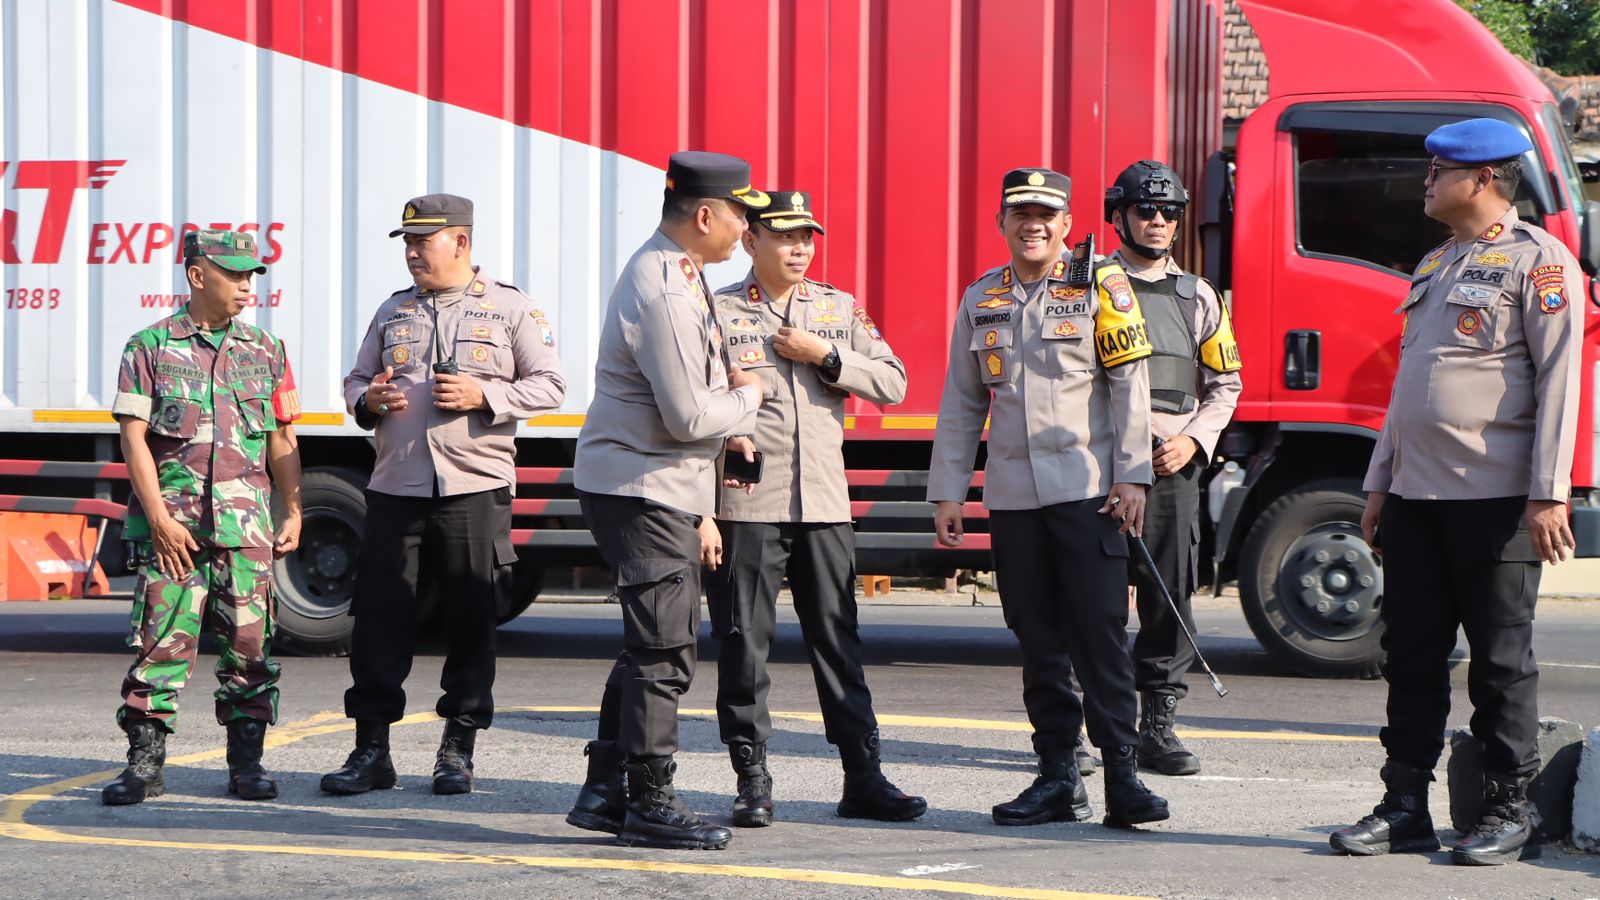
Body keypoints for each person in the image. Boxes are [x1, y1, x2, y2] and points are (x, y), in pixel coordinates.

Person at [1331, 118, 1581, 866]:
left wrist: (1548, 494)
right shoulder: (1436, 262)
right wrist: (1379, 485)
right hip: (1414, 497)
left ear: (1482, 179)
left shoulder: (1540, 263)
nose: (1427, 182)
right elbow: (1412, 388)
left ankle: (1508, 807)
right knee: (1409, 656)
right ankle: (1404, 803)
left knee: (1501, 663)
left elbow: (1563, 383)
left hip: (1496, 498)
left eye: (1440, 171)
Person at [927, 168, 1170, 829]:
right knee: (1037, 641)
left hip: (1089, 494)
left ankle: (1123, 776)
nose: (1032, 223)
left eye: (1046, 213)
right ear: (1002, 224)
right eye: (1019, 213)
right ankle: (1058, 776)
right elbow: (961, 400)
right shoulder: (983, 297)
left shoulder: (1101, 284)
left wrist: (1132, 476)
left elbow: (1129, 385)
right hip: (1013, 502)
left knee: (1099, 637)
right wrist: (949, 490)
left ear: (1066, 224)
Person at [322, 194, 566, 797]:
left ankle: (457, 747)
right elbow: (357, 379)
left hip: (473, 486)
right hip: (394, 485)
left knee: (470, 617)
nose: (410, 253)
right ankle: (371, 749)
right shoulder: (393, 310)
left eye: (421, 242)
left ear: (459, 242)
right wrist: (366, 401)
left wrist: (486, 397)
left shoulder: (511, 308)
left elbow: (551, 385)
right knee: (380, 617)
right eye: (405, 242)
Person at [702, 190, 925, 827]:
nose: (800, 247)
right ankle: (752, 778)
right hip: (746, 504)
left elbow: (895, 382)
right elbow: (686, 404)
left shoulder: (837, 308)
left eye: (808, 237)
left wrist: (825, 355)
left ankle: (864, 776)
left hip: (824, 502)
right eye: (785, 236)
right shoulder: (715, 313)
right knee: (744, 645)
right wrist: (720, 452)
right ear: (751, 242)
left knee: (838, 642)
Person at [565, 152, 768, 850]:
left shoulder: (679, 273)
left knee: (647, 643)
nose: (747, 228)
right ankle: (650, 799)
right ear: (705, 214)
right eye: (741, 214)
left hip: (656, 483)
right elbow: (687, 417)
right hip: (643, 485)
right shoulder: (668, 289)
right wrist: (750, 398)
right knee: (664, 649)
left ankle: (605, 790)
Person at [104, 229, 303, 805]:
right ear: (198, 275)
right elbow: (133, 440)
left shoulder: (268, 350)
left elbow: (283, 434)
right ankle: (144, 765)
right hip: (177, 532)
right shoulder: (150, 346)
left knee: (250, 649)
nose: (246, 286)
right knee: (160, 646)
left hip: (246, 531)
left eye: (250, 276)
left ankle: (247, 765)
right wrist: (159, 519)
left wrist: (294, 508)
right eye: (234, 274)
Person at [1103, 160, 1242, 776]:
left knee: (1170, 596)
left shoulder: (1198, 295)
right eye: (1145, 210)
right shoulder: (1086, 286)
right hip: (1099, 461)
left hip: (1172, 460)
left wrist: (1193, 440)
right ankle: (1093, 726)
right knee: (1094, 600)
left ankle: (1157, 724)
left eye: (1170, 212)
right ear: (1119, 216)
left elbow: (1225, 383)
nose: (1158, 222)